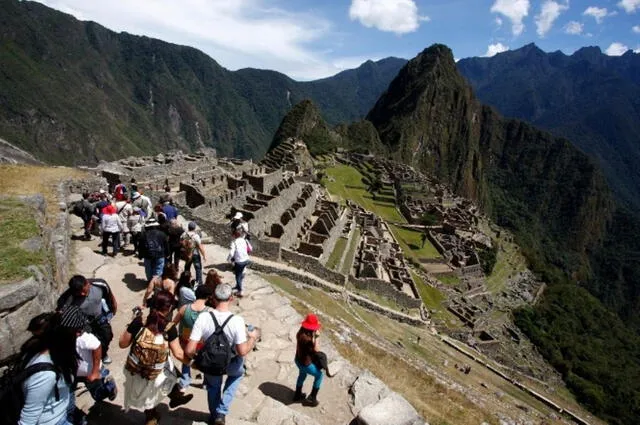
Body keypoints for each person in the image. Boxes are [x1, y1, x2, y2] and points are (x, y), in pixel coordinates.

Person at [185, 284, 259, 425]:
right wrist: (253, 338)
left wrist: (197, 361)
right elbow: (242, 351)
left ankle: (214, 416)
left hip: (210, 362)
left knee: (213, 387)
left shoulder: (203, 318)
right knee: (237, 374)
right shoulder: (237, 321)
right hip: (230, 363)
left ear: (213, 298)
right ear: (231, 298)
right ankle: (222, 411)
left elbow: (189, 350)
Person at [119, 291, 193, 425]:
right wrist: (194, 363)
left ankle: (172, 399)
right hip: (155, 373)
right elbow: (178, 353)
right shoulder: (169, 328)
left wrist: (133, 322)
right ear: (169, 308)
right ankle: (151, 417)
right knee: (168, 373)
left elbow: (122, 344)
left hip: (136, 369)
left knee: (169, 372)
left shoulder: (139, 323)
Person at [18, 310, 77, 425]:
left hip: (60, 412)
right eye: (75, 333)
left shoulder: (38, 350)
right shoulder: (45, 376)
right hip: (53, 421)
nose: (78, 335)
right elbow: (27, 421)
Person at [57, 276, 117, 365]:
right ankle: (93, 358)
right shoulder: (66, 298)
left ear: (87, 284)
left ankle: (102, 354)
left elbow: (109, 295)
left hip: (100, 317)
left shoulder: (100, 284)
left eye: (84, 291)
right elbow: (62, 314)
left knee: (107, 336)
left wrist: (113, 308)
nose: (82, 294)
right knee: (90, 342)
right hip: (83, 323)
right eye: (79, 293)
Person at [173, 285, 213, 391]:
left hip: (186, 341)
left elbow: (173, 323)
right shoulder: (210, 312)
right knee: (206, 362)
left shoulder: (184, 308)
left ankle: (185, 380)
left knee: (186, 360)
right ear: (208, 297)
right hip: (202, 343)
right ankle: (206, 383)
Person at [293, 313, 324, 406]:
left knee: (302, 374)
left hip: (298, 360)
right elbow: (317, 350)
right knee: (319, 375)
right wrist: (317, 337)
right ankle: (312, 398)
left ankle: (297, 394)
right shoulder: (308, 340)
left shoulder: (300, 333)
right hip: (306, 364)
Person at [139, 218, 169, 282]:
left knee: (148, 269)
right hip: (160, 254)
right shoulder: (162, 234)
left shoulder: (143, 235)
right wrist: (167, 254)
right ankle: (156, 282)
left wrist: (140, 255)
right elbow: (166, 245)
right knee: (158, 270)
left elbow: (141, 246)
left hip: (148, 254)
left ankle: (150, 281)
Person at [227, 229, 251, 298]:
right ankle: (238, 286)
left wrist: (228, 260)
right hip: (246, 259)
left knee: (238, 276)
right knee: (241, 274)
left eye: (232, 235)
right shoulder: (243, 240)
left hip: (239, 261)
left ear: (234, 235)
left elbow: (231, 253)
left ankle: (240, 291)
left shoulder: (234, 242)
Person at [182, 222, 206, 286]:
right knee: (198, 269)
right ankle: (199, 283)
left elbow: (181, 243)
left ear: (188, 227)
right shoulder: (196, 236)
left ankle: (185, 280)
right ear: (194, 228)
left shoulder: (184, 234)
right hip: (195, 254)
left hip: (187, 254)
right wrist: (204, 255)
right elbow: (200, 246)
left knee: (187, 268)